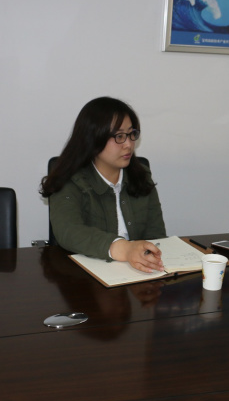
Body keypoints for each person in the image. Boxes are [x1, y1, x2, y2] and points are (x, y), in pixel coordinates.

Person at [40, 96, 166, 273]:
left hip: (139, 275)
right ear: (93, 139)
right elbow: (69, 231)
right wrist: (125, 249)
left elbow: (157, 236)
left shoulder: (141, 175)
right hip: (83, 278)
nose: (129, 144)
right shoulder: (69, 180)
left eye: (131, 134)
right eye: (119, 136)